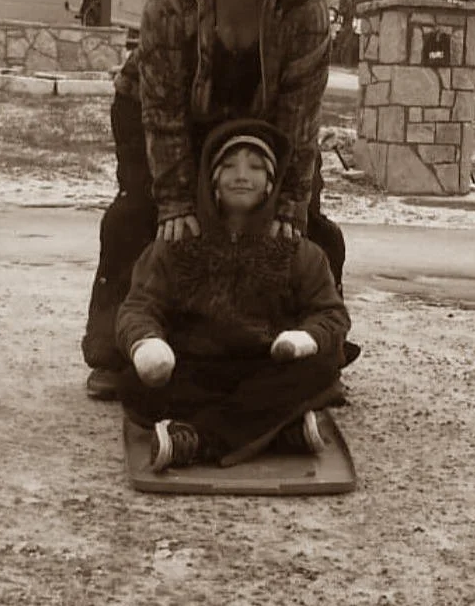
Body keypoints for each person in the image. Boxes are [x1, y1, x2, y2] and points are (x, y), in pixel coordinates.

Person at [81, 0, 346, 397]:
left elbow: (299, 116)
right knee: (138, 217)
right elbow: (162, 106)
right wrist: (176, 199)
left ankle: (316, 359)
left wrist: (291, 205)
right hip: (157, 113)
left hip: (262, 125)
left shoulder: (305, 4)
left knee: (309, 230)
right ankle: (117, 352)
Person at [116, 120, 354, 470]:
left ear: (271, 183)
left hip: (266, 369)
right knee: (132, 386)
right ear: (211, 179)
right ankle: (279, 431)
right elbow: (138, 307)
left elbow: (332, 315)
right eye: (229, 166)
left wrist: (306, 338)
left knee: (319, 369)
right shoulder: (177, 241)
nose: (242, 175)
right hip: (197, 368)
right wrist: (147, 343)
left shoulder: (297, 249)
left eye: (256, 167)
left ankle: (197, 440)